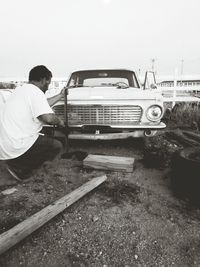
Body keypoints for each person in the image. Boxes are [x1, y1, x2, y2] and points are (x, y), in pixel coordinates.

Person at [0, 65, 66, 180]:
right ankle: (20, 169)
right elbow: (48, 118)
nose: (47, 87)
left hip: (5, 146)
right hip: (16, 146)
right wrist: (60, 122)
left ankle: (16, 162)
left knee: (44, 138)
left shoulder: (22, 90)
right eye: (48, 83)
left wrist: (60, 95)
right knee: (56, 146)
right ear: (43, 79)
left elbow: (43, 104)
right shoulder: (36, 92)